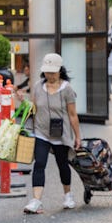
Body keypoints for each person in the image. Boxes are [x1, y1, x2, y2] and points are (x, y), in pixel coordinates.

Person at [19, 53, 82, 214]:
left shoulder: (66, 89)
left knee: (63, 165)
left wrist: (77, 137)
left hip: (61, 134)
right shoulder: (38, 87)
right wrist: (22, 101)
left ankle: (68, 195)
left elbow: (73, 115)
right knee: (39, 164)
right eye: (47, 72)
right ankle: (36, 201)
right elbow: (33, 108)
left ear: (60, 70)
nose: (50, 75)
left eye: (53, 72)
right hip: (41, 132)